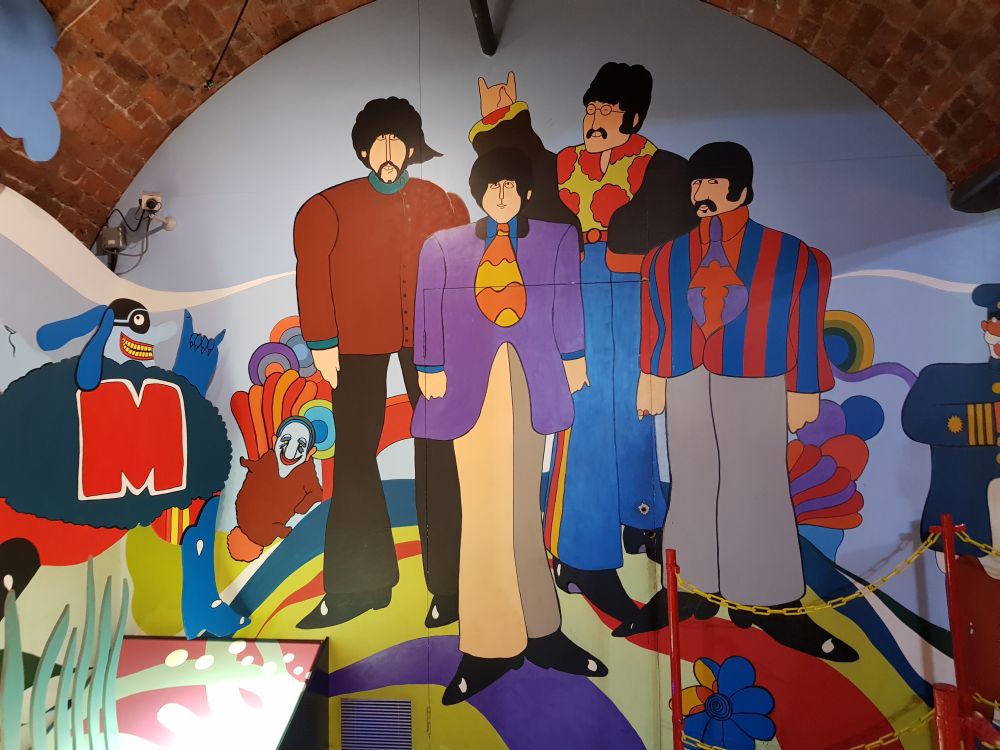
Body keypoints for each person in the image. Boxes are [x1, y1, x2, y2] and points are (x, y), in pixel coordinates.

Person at [617, 142, 857, 662]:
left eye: (713, 182)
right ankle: (691, 586)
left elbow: (804, 321)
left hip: (758, 373)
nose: (701, 192)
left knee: (759, 481)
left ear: (742, 189)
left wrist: (804, 387)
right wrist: (651, 377)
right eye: (696, 183)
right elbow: (656, 320)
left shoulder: (791, 254)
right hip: (686, 374)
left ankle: (771, 597)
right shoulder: (665, 257)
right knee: (691, 479)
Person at [471, 64, 695, 623]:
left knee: (636, 409)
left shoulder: (663, 167)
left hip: (639, 287)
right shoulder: (567, 162)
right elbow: (527, 162)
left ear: (633, 117)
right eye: (591, 109)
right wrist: (502, 115)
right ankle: (581, 557)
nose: (595, 120)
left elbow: (679, 232)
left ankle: (639, 516)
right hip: (577, 284)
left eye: (608, 111)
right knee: (589, 414)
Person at [412, 148, 606, 704]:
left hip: (532, 376)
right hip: (468, 384)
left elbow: (567, 300)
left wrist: (574, 358)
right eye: (492, 186)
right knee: (482, 511)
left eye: (510, 186)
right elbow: (428, 309)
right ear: (479, 192)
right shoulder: (441, 247)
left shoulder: (555, 240)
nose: (501, 195)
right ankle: (487, 645)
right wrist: (429, 366)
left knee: (523, 508)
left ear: (526, 193)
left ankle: (542, 630)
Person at [293, 97, 467, 629]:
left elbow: (458, 270)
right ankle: (358, 586)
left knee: (439, 452)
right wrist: (322, 342)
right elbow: (312, 275)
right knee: (353, 454)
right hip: (353, 344)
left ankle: (452, 586)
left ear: (412, 148)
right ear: (364, 150)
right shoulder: (328, 207)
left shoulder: (439, 202)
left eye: (398, 142)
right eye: (378, 143)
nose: (388, 153)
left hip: (428, 340)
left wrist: (456, 341)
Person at [902, 283, 1000, 563]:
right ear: (986, 328)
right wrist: (990, 419)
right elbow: (916, 421)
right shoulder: (942, 380)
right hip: (966, 523)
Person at [227, 416, 323, 562]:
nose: (290, 451)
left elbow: (316, 493)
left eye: (301, 446)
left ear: (310, 452)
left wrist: (303, 507)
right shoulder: (271, 459)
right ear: (274, 441)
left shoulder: (304, 470)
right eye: (286, 441)